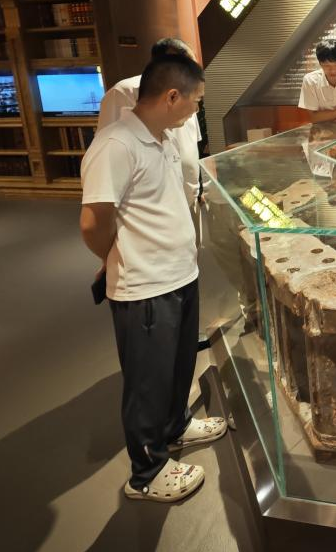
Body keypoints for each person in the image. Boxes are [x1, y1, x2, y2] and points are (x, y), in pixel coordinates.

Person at [80, 55, 227, 503]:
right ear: (172, 96)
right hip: (145, 286)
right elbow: (93, 223)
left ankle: (175, 426)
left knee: (177, 366)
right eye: (196, 101)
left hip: (179, 275)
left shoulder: (160, 138)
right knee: (148, 380)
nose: (196, 110)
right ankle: (147, 473)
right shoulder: (115, 144)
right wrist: (117, 256)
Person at [98, 37, 204, 210]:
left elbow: (192, 145)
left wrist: (199, 188)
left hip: (188, 196)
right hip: (152, 206)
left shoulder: (188, 92)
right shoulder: (123, 92)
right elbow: (108, 159)